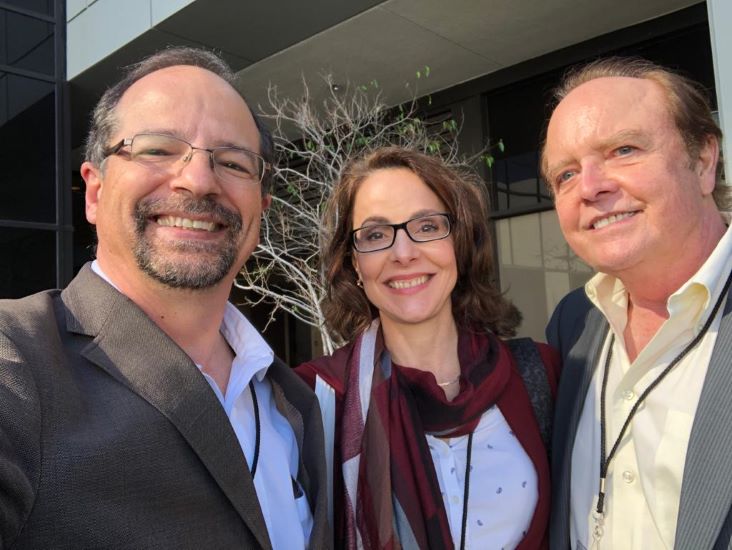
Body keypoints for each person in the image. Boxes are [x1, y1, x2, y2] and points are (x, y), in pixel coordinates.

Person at [0, 47, 330, 549]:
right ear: (93, 192)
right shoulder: (17, 359)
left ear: (261, 209)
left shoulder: (294, 402)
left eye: (234, 161)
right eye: (156, 149)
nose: (198, 180)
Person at [297, 147, 560, 549]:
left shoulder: (541, 374)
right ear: (353, 263)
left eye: (426, 226)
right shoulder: (316, 400)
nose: (403, 253)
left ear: (459, 240)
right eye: (376, 235)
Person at [542, 57, 732, 550]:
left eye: (623, 149)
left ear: (704, 161)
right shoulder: (572, 325)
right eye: (565, 175)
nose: (590, 187)